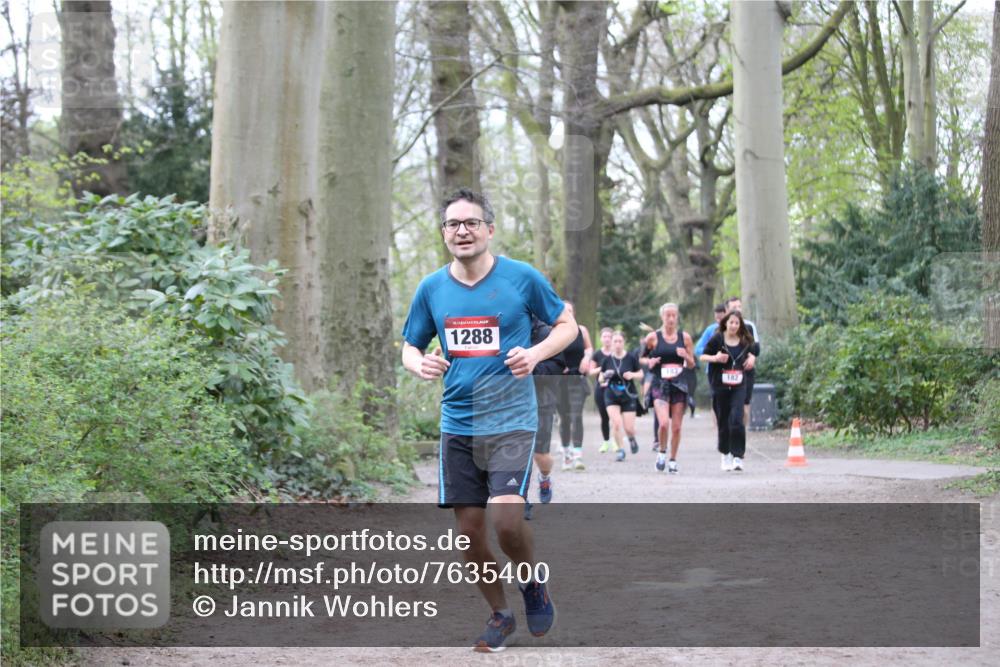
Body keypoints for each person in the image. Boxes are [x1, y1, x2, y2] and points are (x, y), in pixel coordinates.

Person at [401, 188, 575, 652]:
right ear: (444, 234)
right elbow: (410, 345)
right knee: (470, 532)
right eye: (453, 224)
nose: (462, 230)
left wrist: (535, 354)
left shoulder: (521, 278)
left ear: (489, 230)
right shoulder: (431, 288)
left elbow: (567, 326)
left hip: (512, 419)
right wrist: (418, 363)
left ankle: (532, 582)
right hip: (458, 424)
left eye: (471, 222)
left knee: (505, 523)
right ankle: (499, 614)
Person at [700, 309, 758, 472]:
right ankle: (725, 454)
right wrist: (716, 358)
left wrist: (752, 357)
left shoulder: (746, 339)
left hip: (739, 384)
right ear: (725, 323)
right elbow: (703, 356)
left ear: (740, 325)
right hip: (720, 385)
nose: (733, 325)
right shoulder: (718, 338)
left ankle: (738, 456)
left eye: (736, 323)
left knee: (737, 419)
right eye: (731, 322)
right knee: (723, 421)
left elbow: (754, 351)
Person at [640, 303, 695, 474]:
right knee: (664, 423)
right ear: (662, 317)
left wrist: (686, 356)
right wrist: (649, 362)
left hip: (679, 384)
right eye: (667, 315)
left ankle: (673, 459)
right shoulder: (653, 338)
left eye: (674, 315)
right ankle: (662, 453)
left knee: (677, 427)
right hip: (660, 383)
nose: (671, 319)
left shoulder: (684, 338)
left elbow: (692, 364)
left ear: (677, 317)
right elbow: (641, 358)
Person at [526, 316, 567, 517]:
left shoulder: (547, 333)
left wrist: (530, 365)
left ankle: (544, 477)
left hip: (542, 401)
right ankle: (519, 498)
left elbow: (557, 368)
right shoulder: (506, 328)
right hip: (513, 401)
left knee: (540, 454)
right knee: (516, 450)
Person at [590, 330, 642, 460]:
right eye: (615, 341)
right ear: (612, 343)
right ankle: (620, 450)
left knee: (629, 428)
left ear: (624, 343)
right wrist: (603, 378)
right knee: (616, 423)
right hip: (611, 393)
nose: (617, 344)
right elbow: (601, 377)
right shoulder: (607, 360)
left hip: (628, 393)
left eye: (620, 341)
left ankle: (631, 438)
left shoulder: (631, 358)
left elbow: (641, 373)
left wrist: (632, 375)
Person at [555, 301, 592, 471]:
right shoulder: (553, 331)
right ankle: (567, 454)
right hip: (560, 381)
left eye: (570, 310)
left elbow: (589, 348)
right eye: (564, 310)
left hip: (577, 379)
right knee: (565, 418)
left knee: (576, 416)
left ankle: (578, 455)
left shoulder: (581, 330)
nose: (567, 313)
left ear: (574, 313)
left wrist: (586, 358)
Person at [724, 297, 761, 427]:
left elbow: (756, 349)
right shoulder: (719, 328)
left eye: (739, 307)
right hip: (726, 373)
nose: (738, 310)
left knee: (744, 407)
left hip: (745, 371)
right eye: (734, 307)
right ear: (727, 310)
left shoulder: (749, 326)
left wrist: (752, 357)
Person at [590, 327, 614, 453]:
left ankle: (616, 441)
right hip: (601, 389)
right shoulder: (597, 354)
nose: (607, 339)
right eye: (604, 337)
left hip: (615, 389)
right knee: (604, 417)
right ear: (601, 339)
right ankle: (606, 442)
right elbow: (590, 371)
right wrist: (602, 369)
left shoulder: (617, 354)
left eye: (609, 337)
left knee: (615, 417)